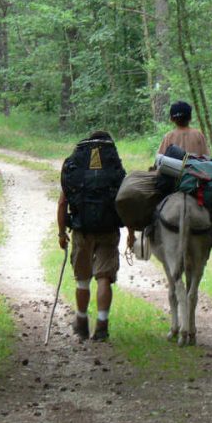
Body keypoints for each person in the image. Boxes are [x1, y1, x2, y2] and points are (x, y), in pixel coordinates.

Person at [57, 131, 134, 342]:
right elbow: (125, 202)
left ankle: (81, 323)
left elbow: (63, 202)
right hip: (108, 231)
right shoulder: (113, 169)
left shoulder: (78, 169)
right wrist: (131, 232)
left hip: (82, 230)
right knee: (104, 278)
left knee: (82, 281)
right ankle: (101, 326)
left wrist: (62, 232)